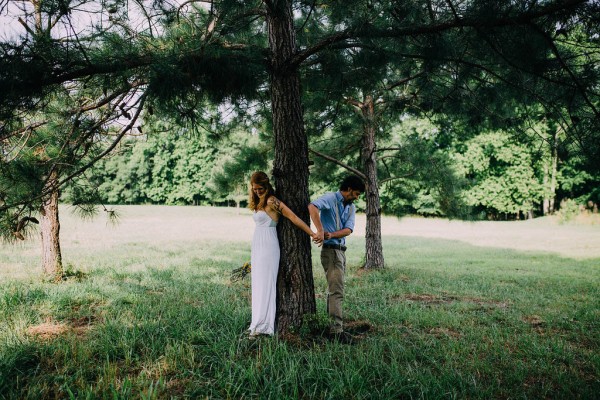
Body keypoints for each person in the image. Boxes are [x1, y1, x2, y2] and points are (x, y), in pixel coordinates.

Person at [247, 171, 317, 338]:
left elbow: (293, 216)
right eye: (255, 189)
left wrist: (312, 233)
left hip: (269, 247)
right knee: (257, 284)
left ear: (267, 185)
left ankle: (264, 326)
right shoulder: (258, 202)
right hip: (257, 245)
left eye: (261, 188)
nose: (257, 191)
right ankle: (256, 323)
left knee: (266, 284)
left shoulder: (272, 201)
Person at [309, 175, 365, 343]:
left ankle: (331, 326)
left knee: (336, 289)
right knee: (337, 291)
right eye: (355, 193)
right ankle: (336, 332)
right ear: (347, 189)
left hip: (341, 251)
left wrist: (331, 234)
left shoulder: (351, 207)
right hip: (331, 251)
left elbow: (348, 229)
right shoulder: (330, 198)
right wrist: (319, 230)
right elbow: (312, 206)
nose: (356, 197)